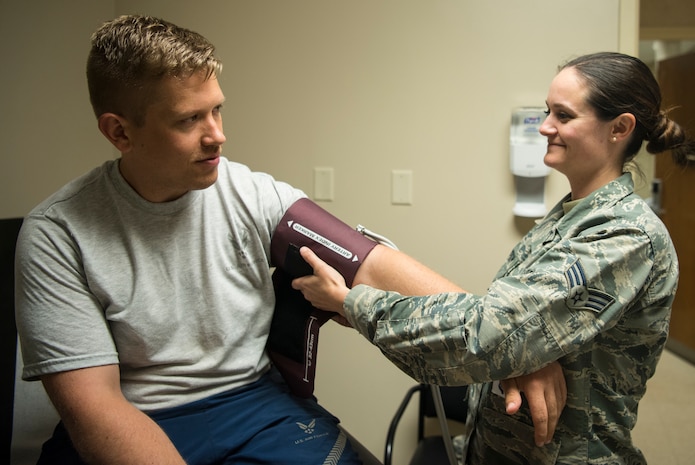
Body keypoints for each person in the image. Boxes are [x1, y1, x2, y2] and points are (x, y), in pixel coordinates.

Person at [14, 14, 566, 465]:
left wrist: (509, 344)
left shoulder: (248, 193)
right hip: (136, 417)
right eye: (189, 121)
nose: (218, 135)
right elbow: (95, 408)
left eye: (218, 109)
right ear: (119, 131)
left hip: (253, 407)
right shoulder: (57, 235)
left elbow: (371, 265)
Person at [293, 51, 695, 465]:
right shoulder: (569, 217)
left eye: (563, 115)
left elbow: (486, 335)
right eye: (546, 111)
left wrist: (352, 302)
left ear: (619, 128)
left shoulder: (624, 237)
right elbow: (511, 328)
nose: (544, 126)